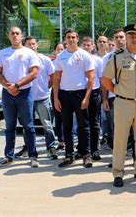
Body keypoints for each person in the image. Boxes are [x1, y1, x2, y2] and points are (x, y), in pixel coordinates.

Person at [101, 24, 136, 188]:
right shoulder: (117, 57)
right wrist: (117, 91)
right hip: (123, 103)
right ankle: (118, 172)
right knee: (120, 139)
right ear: (126, 38)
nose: (135, 39)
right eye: (131, 36)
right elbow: (105, 79)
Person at [0, 27, 40, 168]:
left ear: (21, 36)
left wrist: (17, 86)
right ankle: (9, 157)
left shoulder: (29, 53)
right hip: (8, 94)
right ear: (9, 36)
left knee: (29, 126)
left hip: (25, 93)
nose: (15, 35)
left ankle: (33, 156)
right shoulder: (2, 53)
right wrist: (9, 86)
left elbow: (34, 73)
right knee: (9, 127)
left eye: (17, 33)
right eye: (12, 33)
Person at [53, 29, 96, 168]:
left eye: (73, 37)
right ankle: (69, 155)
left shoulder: (84, 55)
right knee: (67, 126)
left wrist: (87, 97)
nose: (71, 39)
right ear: (65, 40)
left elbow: (91, 78)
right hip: (64, 94)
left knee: (83, 126)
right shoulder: (61, 56)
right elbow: (57, 78)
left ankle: (86, 154)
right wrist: (56, 98)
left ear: (77, 38)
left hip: (80, 93)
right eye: (68, 37)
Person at [24, 36, 58, 160]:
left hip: (42, 97)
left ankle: (51, 148)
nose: (32, 46)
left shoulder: (45, 59)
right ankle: (29, 148)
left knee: (47, 125)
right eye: (29, 44)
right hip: (26, 97)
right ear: (25, 46)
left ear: (37, 45)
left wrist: (46, 87)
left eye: (33, 44)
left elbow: (53, 76)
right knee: (27, 126)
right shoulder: (22, 60)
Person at [81, 36, 104, 160]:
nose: (86, 47)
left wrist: (102, 96)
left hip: (94, 92)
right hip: (80, 92)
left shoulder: (97, 60)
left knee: (94, 122)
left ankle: (95, 149)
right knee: (82, 122)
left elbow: (101, 79)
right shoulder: (78, 58)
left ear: (93, 46)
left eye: (88, 45)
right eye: (84, 45)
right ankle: (83, 149)